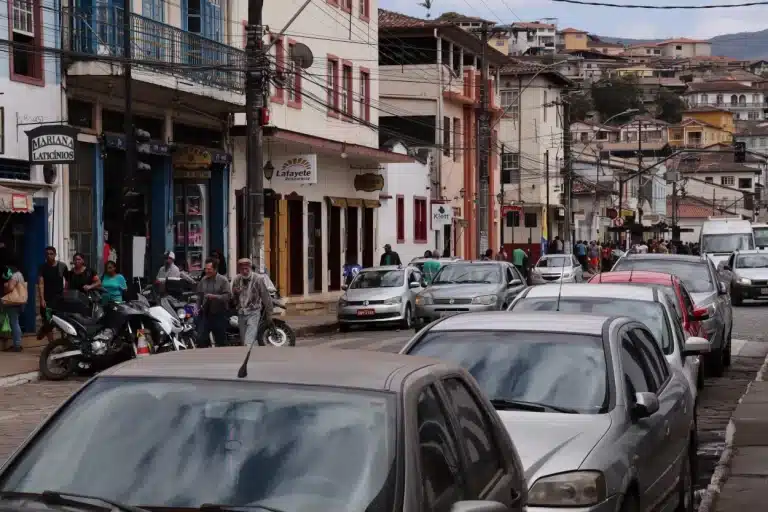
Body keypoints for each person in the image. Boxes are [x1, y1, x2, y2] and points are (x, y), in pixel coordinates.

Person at [232, 257, 273, 347]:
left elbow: (266, 296)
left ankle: (248, 354)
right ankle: (250, 357)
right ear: (239, 269)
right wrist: (235, 293)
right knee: (244, 340)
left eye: (246, 268)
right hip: (241, 313)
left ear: (250, 268)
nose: (244, 271)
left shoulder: (258, 279)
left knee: (248, 341)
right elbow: (234, 298)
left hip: (253, 312)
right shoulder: (236, 279)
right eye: (242, 269)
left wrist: (269, 313)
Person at [196, 258, 231, 348]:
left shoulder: (223, 280)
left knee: (221, 340)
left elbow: (228, 296)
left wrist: (215, 297)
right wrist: (196, 308)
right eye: (205, 269)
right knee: (201, 338)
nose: (207, 271)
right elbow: (199, 295)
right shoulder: (203, 280)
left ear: (215, 269)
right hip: (206, 313)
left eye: (209, 269)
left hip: (219, 313)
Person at [37, 246, 68, 342]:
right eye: (47, 254)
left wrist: (66, 293)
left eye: (51, 254)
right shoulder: (42, 267)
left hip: (59, 298)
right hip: (47, 299)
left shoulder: (62, 266)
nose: (49, 256)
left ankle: (63, 342)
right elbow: (41, 283)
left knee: (61, 322)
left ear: (55, 255)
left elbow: (68, 281)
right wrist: (42, 299)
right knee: (47, 321)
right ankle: (51, 345)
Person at [2, 260, 25, 352]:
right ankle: (17, 344)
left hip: (13, 303)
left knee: (14, 323)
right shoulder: (20, 274)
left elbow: (10, 288)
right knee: (15, 322)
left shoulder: (14, 275)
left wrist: (5, 288)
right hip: (19, 302)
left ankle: (17, 345)